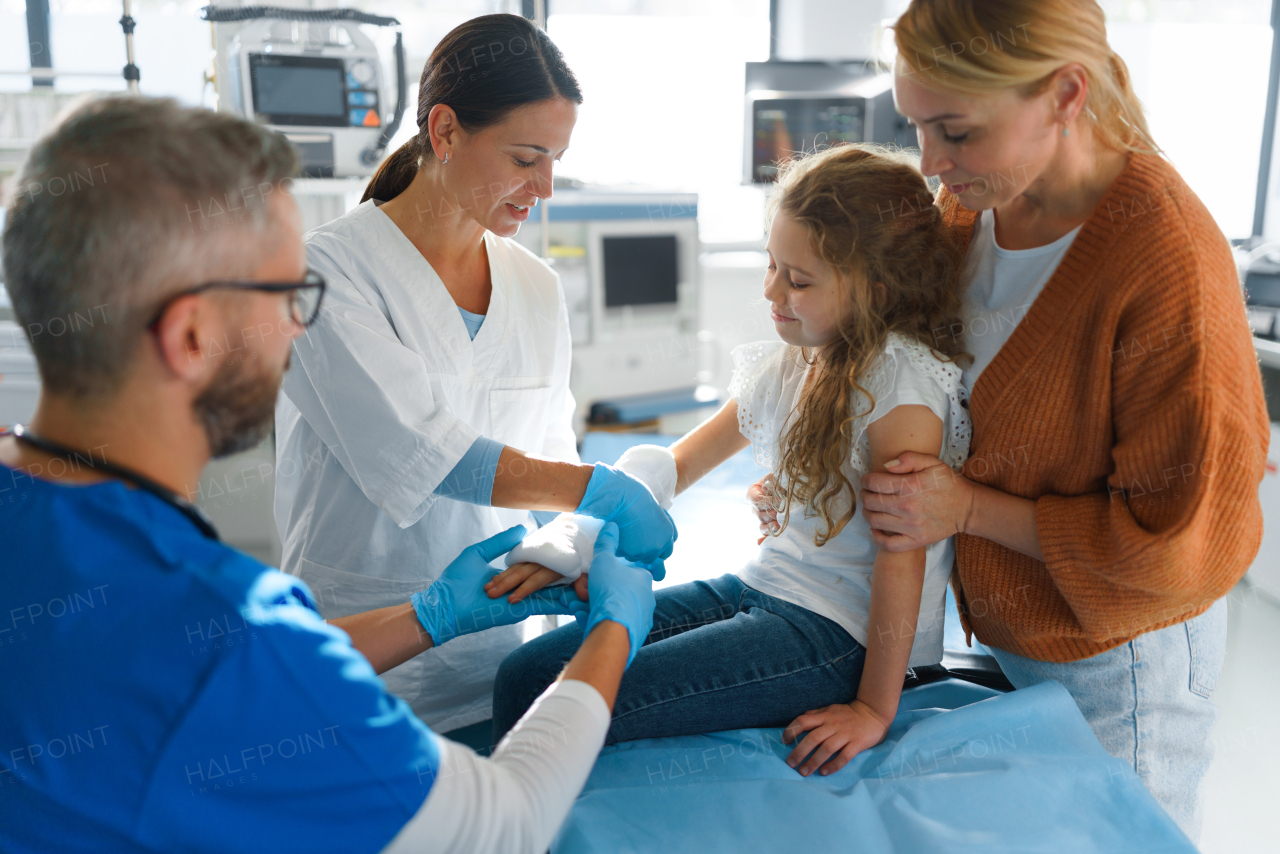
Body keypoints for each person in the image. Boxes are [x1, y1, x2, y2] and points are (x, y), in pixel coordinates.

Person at [0, 94, 660, 854]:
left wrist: (431, 616)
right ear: (190, 335)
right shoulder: (218, 632)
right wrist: (612, 632)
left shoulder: (149, 602)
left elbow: (181, 671)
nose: (298, 324)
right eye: (288, 295)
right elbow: (506, 823)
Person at [821, 0, 1266, 842]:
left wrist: (963, 510)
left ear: (1065, 94)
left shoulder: (1163, 258)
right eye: (916, 126)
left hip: (1119, 653)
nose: (931, 162)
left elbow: (1172, 552)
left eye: (954, 130)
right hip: (1008, 619)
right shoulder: (972, 211)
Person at [492, 143, 975, 776]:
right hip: (763, 587)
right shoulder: (795, 359)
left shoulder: (902, 387)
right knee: (525, 672)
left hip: (835, 638)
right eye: (771, 265)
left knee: (550, 702)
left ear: (876, 291)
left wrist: (872, 709)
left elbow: (902, 560)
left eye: (798, 280)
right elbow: (677, 465)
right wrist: (572, 544)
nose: (772, 290)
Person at [273, 13, 673, 736]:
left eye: (555, 159)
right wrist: (598, 489)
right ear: (446, 130)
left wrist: (581, 540)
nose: (545, 186)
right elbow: (423, 453)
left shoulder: (534, 286)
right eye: (525, 158)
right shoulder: (325, 272)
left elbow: (549, 455)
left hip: (498, 644)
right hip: (365, 632)